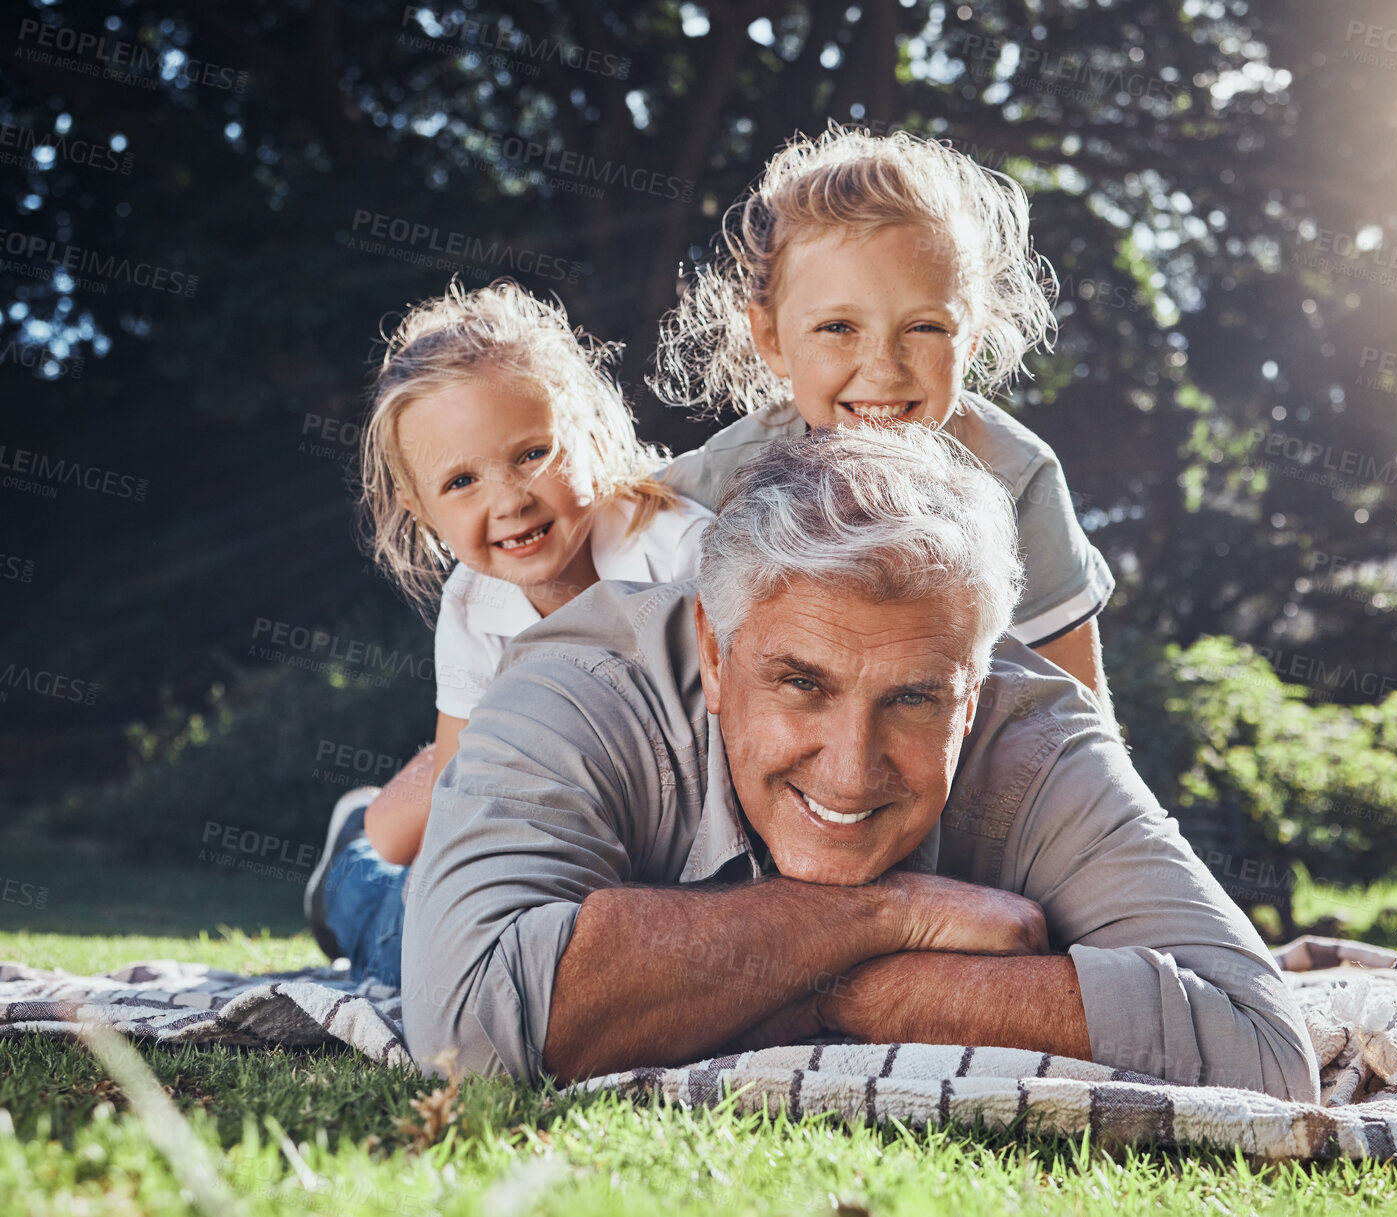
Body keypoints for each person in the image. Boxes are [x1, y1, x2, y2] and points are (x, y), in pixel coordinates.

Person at [393, 424, 1318, 1100]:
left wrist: (787, 977)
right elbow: (464, 1028)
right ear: (715, 653)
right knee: (377, 908)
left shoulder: (1036, 736)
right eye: (800, 683)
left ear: (974, 686)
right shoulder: (573, 686)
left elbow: (1261, 1049)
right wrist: (892, 914)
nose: (848, 768)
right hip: (415, 884)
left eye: (914, 698)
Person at [303, 279, 713, 985]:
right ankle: (355, 868)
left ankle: (371, 840)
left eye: (532, 454)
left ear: (587, 431)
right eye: (461, 481)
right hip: (530, 803)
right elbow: (469, 797)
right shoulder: (471, 604)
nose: (509, 500)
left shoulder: (681, 556)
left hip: (636, 814)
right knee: (418, 939)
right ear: (419, 506)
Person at [652, 124, 1117, 717]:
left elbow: (1081, 714)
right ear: (769, 336)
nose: (883, 370)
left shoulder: (1015, 478)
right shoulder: (717, 480)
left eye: (925, 327)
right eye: (838, 328)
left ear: (970, 339)